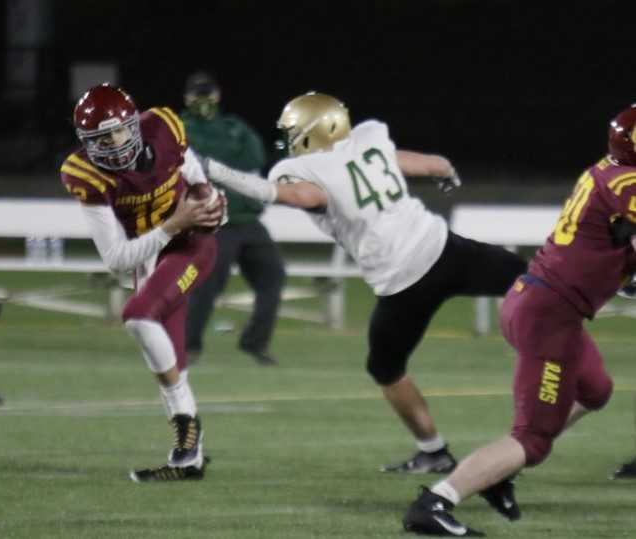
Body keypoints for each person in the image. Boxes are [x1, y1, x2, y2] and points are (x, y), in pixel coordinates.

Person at [201, 92, 527, 475]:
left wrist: (218, 172)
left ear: (314, 132)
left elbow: (301, 195)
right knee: (531, 278)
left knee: (385, 368)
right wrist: (439, 167)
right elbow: (400, 160)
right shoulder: (368, 138)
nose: (289, 139)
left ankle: (434, 451)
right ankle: (600, 287)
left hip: (403, 280)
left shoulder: (304, 169)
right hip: (444, 248)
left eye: (294, 132)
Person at [402, 104, 636, 536]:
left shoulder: (609, 171)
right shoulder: (627, 183)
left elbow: (613, 246)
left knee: (596, 388)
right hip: (551, 316)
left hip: (539, 299)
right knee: (532, 440)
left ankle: (496, 473)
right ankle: (436, 502)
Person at [60, 83, 224, 481]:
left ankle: (189, 432)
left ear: (134, 123)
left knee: (137, 315)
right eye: (101, 138)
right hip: (151, 251)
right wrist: (171, 224)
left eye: (118, 131)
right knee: (170, 354)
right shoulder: (85, 175)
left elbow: (188, 165)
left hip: (192, 243)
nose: (115, 143)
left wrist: (206, 196)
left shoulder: (164, 126)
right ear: (86, 142)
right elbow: (117, 258)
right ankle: (189, 459)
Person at [181, 71, 285, 366]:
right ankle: (189, 347)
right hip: (213, 221)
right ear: (187, 98)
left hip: (248, 221)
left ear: (218, 96)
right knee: (208, 284)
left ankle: (255, 341)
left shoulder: (234, 127)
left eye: (207, 94)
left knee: (273, 276)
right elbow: (192, 166)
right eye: (197, 95)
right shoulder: (179, 127)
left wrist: (218, 166)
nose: (203, 102)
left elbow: (253, 159)